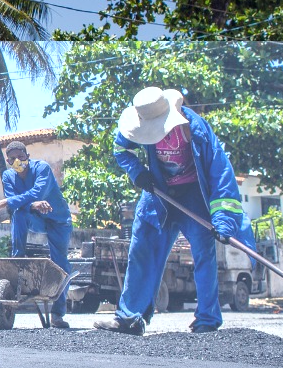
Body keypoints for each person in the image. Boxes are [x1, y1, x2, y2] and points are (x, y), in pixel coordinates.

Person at [95, 86, 256, 336]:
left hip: (193, 195)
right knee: (141, 248)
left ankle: (207, 319)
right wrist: (138, 172)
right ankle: (129, 318)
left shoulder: (196, 129)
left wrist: (223, 219)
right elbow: (120, 150)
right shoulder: (139, 124)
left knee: (204, 251)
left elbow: (221, 174)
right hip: (158, 193)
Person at [0, 141, 73, 329]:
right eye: (12, 159)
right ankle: (18, 257)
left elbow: (37, 192)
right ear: (8, 161)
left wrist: (7, 201)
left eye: (21, 157)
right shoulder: (8, 176)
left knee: (61, 264)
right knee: (19, 213)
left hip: (58, 220)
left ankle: (58, 314)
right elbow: (19, 204)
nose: (17, 161)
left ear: (27, 156)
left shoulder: (42, 168)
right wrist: (29, 204)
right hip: (35, 217)